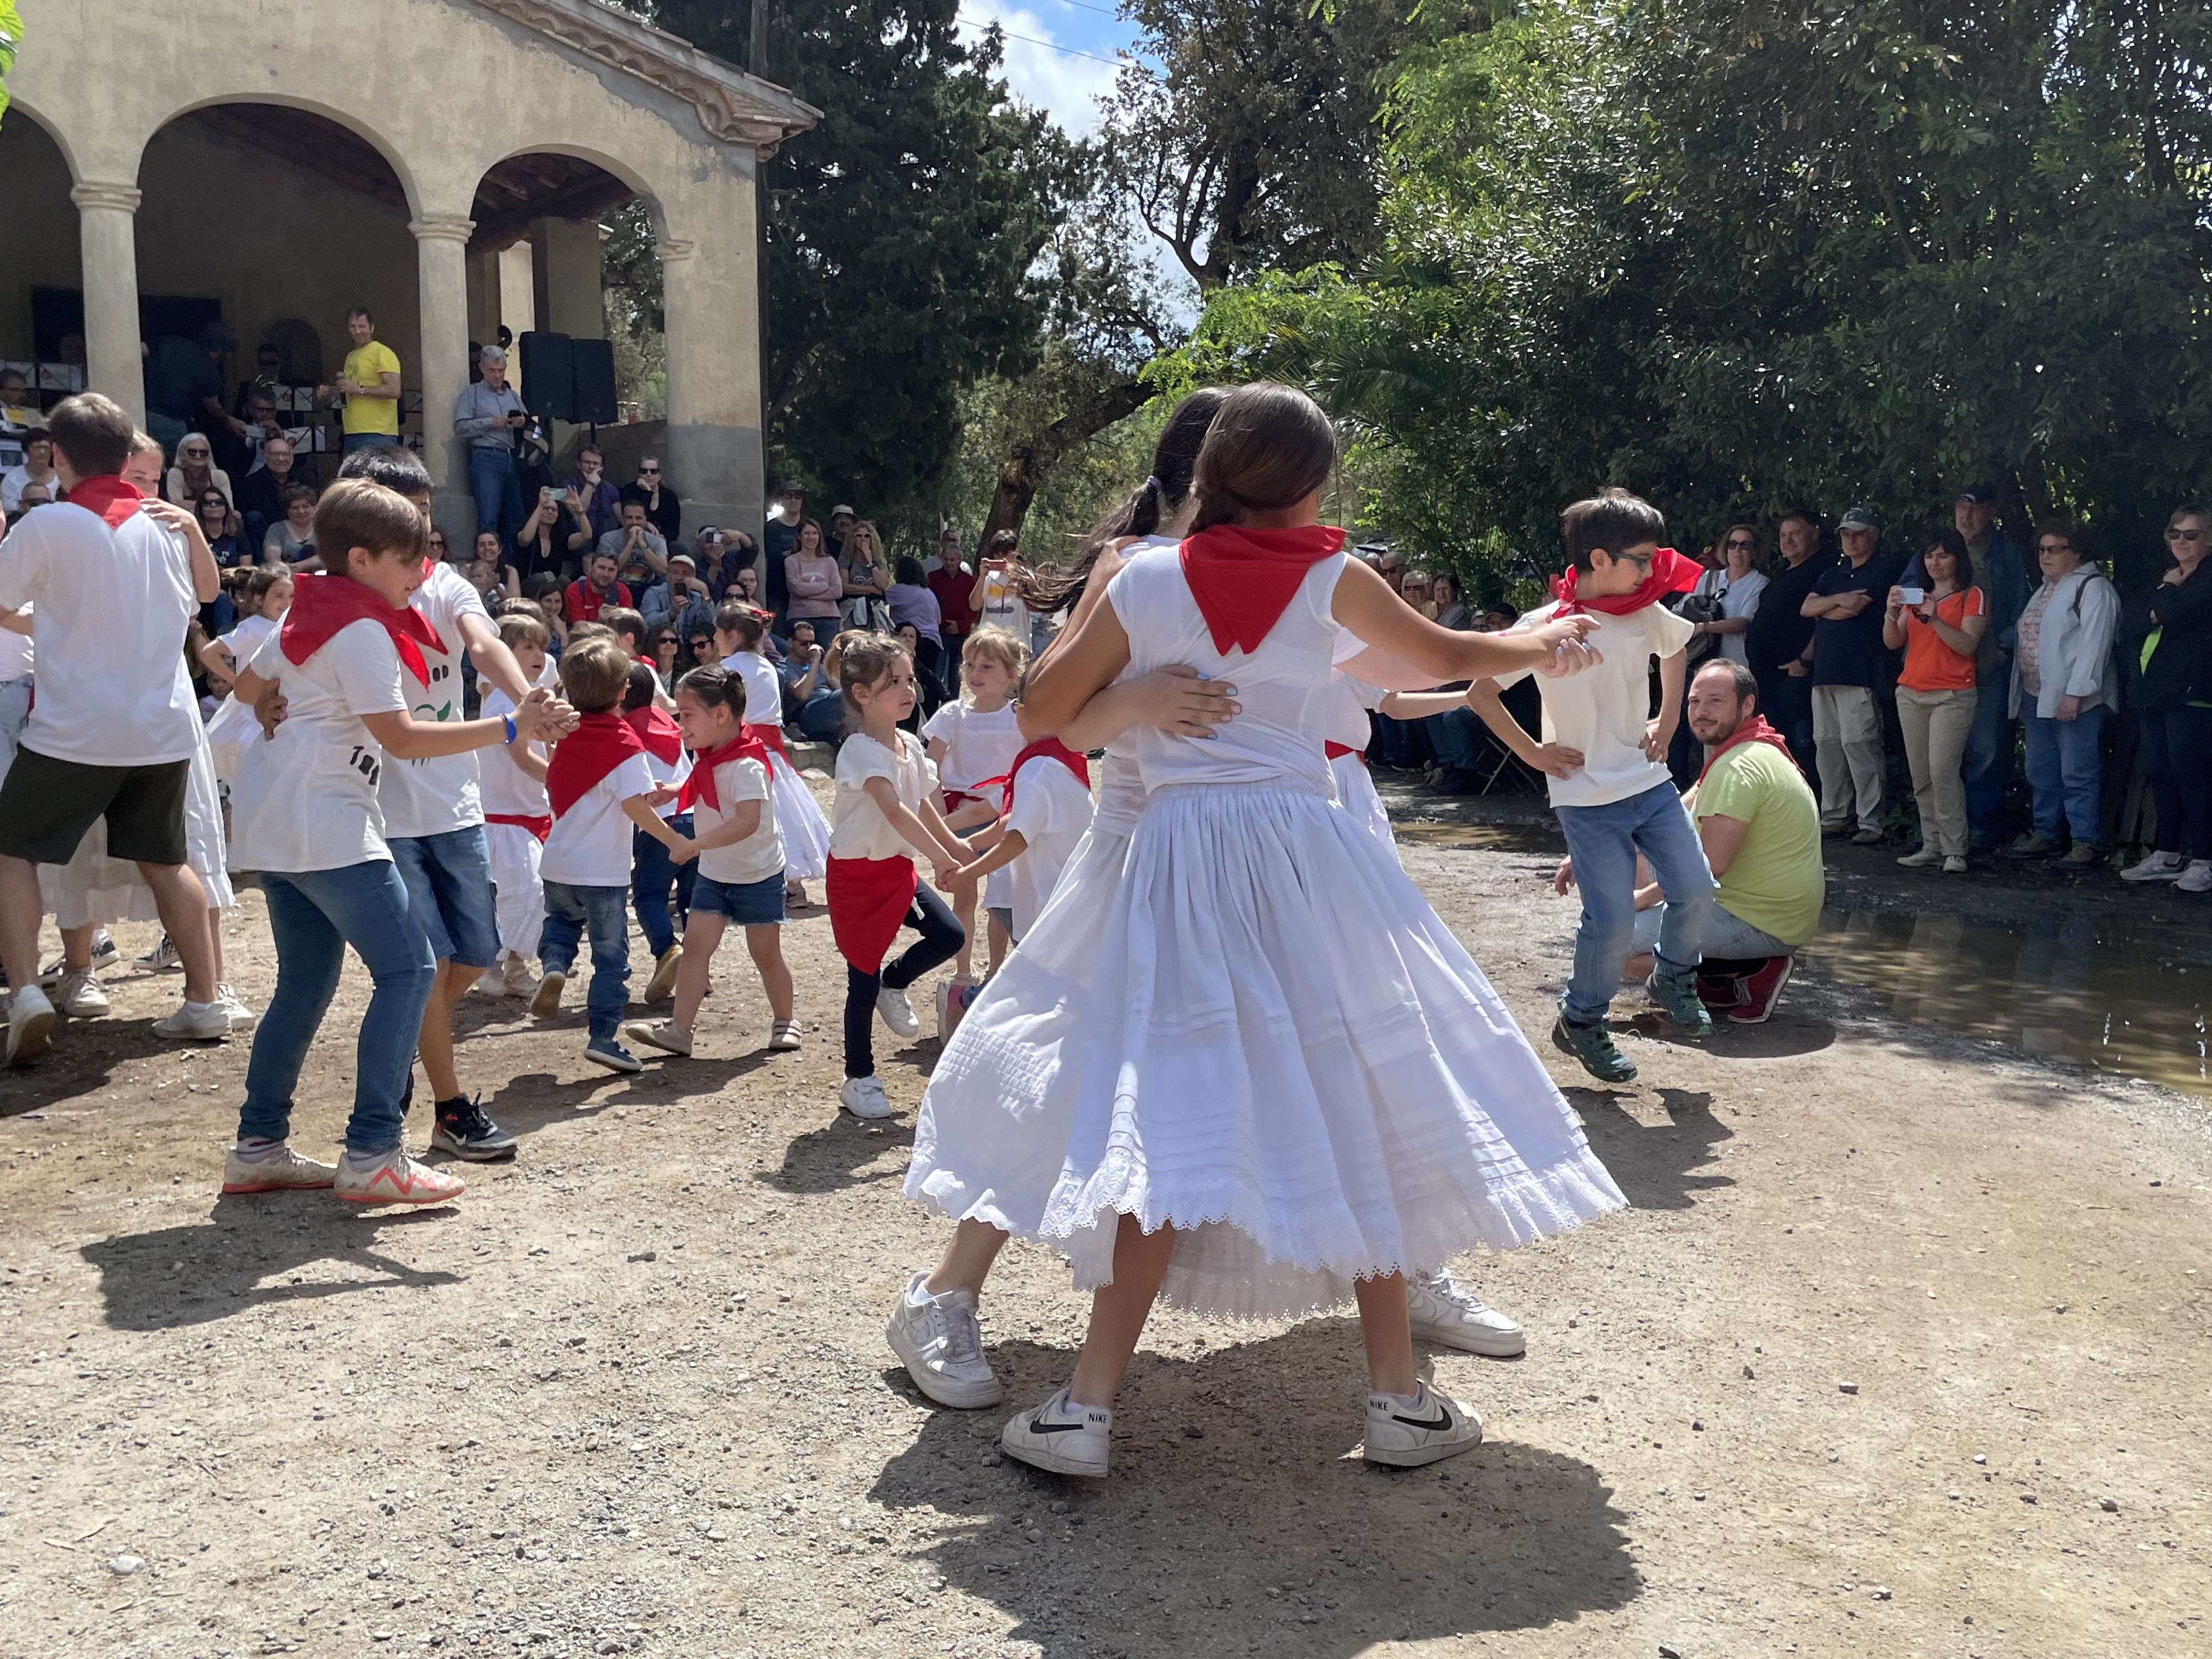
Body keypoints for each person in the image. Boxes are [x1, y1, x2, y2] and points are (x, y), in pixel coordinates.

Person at [904, 382, 1617, 1475]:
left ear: (1209, 475)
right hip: (1305, 857)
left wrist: (1142, 702)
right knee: (1357, 1103)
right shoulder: (1339, 577)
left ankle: (1087, 1408)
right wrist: (1544, 646)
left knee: (1166, 1118)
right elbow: (1442, 657)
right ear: (1317, 485)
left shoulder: (1142, 577)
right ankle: (1398, 1401)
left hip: (1177, 860)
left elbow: (1039, 712)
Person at [218, 479, 568, 1202]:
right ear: (362, 558)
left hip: (277, 822)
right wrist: (511, 729)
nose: (420, 573)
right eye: (409, 561)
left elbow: (247, 690)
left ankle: (259, 1146)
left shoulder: (306, 613)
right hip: (329, 820)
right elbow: (403, 739)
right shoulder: (365, 629)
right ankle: (375, 1151)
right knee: (410, 971)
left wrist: (281, 699)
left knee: (306, 984)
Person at [0, 393, 227, 1063]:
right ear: (129, 458)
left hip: (74, 728)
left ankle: (26, 992)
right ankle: (205, 999)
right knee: (167, 861)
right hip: (159, 728)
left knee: (13, 850)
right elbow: (190, 604)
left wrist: (60, 620)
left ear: (59, 457)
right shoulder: (163, 528)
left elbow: (3, 603)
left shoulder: (46, 526)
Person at [1468, 489, 1716, 1083]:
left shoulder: (1644, 609)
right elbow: (1480, 692)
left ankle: (1673, 978)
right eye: (1642, 557)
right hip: (1583, 796)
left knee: (1697, 888)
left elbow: (1678, 650)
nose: (1653, 568)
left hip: (1649, 782)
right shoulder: (1543, 626)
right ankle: (1582, 1020)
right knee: (1610, 922)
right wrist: (1534, 753)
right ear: (1599, 559)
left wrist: (1670, 719)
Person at [1617, 659, 1824, 1025]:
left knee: (1613, 945)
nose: (1701, 712)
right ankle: (1714, 982)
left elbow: (1708, 867)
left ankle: (1752, 968)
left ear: (1747, 706)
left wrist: (1640, 901)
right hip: (1760, 906)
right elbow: (1675, 811)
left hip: (1762, 919)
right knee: (1633, 851)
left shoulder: (1737, 768)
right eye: (1695, 702)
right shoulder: (1747, 750)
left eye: (1715, 701)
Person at [826, 634, 971, 1121]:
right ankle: (859, 1077)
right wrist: (940, 859)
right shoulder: (859, 750)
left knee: (949, 934)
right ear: (862, 693)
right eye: (895, 683)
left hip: (895, 870)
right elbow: (893, 812)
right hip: (857, 876)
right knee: (859, 978)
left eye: (910, 680)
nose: (909, 690)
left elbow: (923, 802)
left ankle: (897, 981)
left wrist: (953, 847)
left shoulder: (909, 743)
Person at [528, 635, 690, 1070]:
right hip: (603, 873)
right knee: (610, 958)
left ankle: (555, 966)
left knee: (560, 924)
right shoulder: (624, 743)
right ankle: (603, 1036)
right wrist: (674, 840)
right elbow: (634, 805)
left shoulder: (568, 737)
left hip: (558, 863)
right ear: (623, 691)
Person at [624, 665, 802, 1059]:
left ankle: (786, 1022)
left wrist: (695, 845)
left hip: (757, 875)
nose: (679, 722)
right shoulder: (713, 754)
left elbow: (747, 821)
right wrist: (672, 790)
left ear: (720, 715)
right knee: (695, 949)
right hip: (715, 874)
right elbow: (703, 786)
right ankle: (680, 1030)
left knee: (766, 952)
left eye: (687, 714)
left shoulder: (748, 765)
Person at [1902, 487, 2028, 851]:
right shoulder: (1935, 550)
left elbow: (2020, 602)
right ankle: (1936, 836)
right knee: (1932, 762)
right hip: (1932, 671)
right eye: (1961, 507)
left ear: (1991, 512)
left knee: (1987, 751)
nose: (1966, 516)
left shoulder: (2005, 551)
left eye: (1974, 509)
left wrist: (2004, 646)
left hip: (1986, 666)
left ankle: (1981, 828)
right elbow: (1908, 591)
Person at [2008, 520, 2120, 865]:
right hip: (2037, 694)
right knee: (2041, 769)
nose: (2045, 556)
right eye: (2042, 549)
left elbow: (2095, 646)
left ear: (2077, 552)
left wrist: (2077, 694)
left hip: (2078, 699)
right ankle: (2047, 832)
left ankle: (2085, 839)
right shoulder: (2044, 589)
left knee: (2077, 770)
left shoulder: (2093, 587)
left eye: (2055, 549)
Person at [922, 626, 1028, 984]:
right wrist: (942, 821)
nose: (975, 674)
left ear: (1011, 674)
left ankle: (998, 971)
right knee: (963, 895)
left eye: (987, 666)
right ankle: (963, 972)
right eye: (969, 665)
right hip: (959, 819)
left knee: (1003, 898)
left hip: (1005, 816)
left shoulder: (1020, 718)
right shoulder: (952, 715)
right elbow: (929, 768)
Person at [1881, 528, 1988, 872]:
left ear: (1958, 558)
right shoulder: (1917, 596)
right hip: (1912, 692)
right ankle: (1932, 844)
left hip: (1953, 694)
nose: (1936, 562)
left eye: (1943, 555)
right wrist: (1890, 612)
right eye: (1930, 556)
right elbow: (1892, 642)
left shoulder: (1972, 595)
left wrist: (1936, 619)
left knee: (1944, 770)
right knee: (1921, 774)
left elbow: (1967, 645)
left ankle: (1956, 849)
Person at [2121, 503, 2212, 891]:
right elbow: (2131, 622)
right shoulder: (2167, 580)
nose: (2181, 542)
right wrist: (2164, 598)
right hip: (2154, 694)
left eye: (2191, 535)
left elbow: (2175, 612)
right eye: (2174, 534)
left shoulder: (2202, 580)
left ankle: (2205, 859)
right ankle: (2168, 853)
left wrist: (2167, 597)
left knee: (2193, 776)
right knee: (2163, 775)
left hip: (2191, 693)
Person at [715, 603, 833, 902]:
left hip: (743, 753)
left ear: (732, 634)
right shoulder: (768, 666)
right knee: (782, 815)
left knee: (753, 815)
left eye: (718, 632)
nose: (714, 638)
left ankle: (756, 882)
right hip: (771, 752)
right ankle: (792, 884)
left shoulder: (729, 669)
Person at [1801, 505, 1897, 842]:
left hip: (1861, 672)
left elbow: (1852, 611)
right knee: (1826, 746)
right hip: (1825, 672)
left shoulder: (1882, 571)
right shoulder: (1834, 573)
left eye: (1858, 533)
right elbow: (1807, 608)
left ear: (1875, 534)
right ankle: (1835, 816)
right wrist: (1837, 602)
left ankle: (1871, 822)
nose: (1851, 539)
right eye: (1846, 533)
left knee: (1861, 746)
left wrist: (1827, 607)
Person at [477, 610, 555, 1000]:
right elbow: (521, 755)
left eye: (542, 646)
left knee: (529, 893)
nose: (538, 654)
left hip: (528, 811)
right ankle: (493, 966)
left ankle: (515, 965)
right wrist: (560, 780)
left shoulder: (530, 699)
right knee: (516, 891)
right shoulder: (502, 703)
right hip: (505, 817)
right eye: (527, 647)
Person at [1744, 509, 1831, 772]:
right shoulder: (1784, 572)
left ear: (1815, 533)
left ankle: (1809, 805)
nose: (1788, 541)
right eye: (1783, 535)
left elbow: (1826, 620)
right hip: (1769, 679)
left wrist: (1805, 659)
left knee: (1801, 749)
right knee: (1776, 748)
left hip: (1797, 677)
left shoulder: (1823, 570)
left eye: (1795, 534)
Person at [454, 345, 529, 546]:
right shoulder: (472, 394)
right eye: (492, 371)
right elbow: (460, 428)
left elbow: (536, 431)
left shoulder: (512, 396)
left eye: (501, 371)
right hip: (485, 456)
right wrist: (489, 422)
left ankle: (510, 568)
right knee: (488, 517)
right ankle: (483, 570)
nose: (498, 375)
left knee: (516, 517)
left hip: (511, 457)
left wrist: (523, 424)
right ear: (482, 369)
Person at [143, 321, 242, 459]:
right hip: (174, 424)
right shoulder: (210, 372)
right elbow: (213, 407)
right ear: (221, 350)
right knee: (175, 470)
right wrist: (228, 421)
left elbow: (140, 350)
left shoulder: (170, 343)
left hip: (144, 416)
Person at [320, 308, 403, 456]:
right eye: (353, 327)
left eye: (362, 327)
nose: (357, 331)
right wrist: (332, 391)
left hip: (378, 433)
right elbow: (351, 392)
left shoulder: (382, 353)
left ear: (372, 328)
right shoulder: (351, 356)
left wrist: (359, 389)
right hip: (352, 431)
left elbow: (394, 390)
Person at [198, 567, 293, 692]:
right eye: (279, 595)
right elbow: (209, 653)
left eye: (291, 596)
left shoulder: (289, 627)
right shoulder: (253, 627)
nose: (287, 603)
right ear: (259, 598)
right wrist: (236, 682)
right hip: (251, 708)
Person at [927, 526, 977, 696]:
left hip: (960, 632)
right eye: (946, 560)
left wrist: (961, 625)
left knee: (956, 672)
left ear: (960, 561)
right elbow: (929, 604)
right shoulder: (933, 578)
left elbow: (974, 608)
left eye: (953, 560)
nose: (949, 563)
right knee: (937, 670)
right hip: (939, 632)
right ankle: (934, 704)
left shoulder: (969, 581)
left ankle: (954, 702)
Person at [233, 432, 302, 550]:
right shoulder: (249, 484)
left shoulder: (303, 479)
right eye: (276, 455)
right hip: (265, 535)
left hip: (298, 530)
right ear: (266, 458)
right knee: (253, 518)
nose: (281, 459)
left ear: (292, 458)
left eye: (285, 454)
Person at [515, 483, 592, 584]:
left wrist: (579, 509)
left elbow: (587, 536)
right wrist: (540, 506)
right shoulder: (526, 532)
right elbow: (526, 539)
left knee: (564, 581)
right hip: (528, 587)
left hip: (552, 590)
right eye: (546, 509)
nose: (550, 512)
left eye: (554, 510)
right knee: (540, 579)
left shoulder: (561, 539)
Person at [778, 620, 843, 741]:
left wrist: (825, 663)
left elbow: (837, 688)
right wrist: (815, 662)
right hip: (807, 711)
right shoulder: (784, 667)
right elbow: (802, 695)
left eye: (812, 643)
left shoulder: (817, 664)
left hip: (828, 706)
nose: (809, 648)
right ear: (791, 642)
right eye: (804, 644)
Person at [783, 518, 843, 635]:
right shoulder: (791, 561)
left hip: (829, 618)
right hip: (800, 616)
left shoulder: (829, 561)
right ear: (800, 537)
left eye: (815, 533)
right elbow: (797, 589)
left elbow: (837, 591)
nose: (811, 537)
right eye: (807, 533)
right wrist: (825, 585)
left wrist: (807, 594)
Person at [642, 550, 714, 641]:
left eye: (685, 573)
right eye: (675, 572)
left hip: (690, 648)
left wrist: (705, 592)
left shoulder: (697, 598)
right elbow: (646, 624)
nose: (679, 578)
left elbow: (707, 627)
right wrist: (671, 613)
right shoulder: (654, 593)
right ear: (668, 575)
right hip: (661, 646)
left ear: (694, 577)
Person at [969, 530, 1027, 641]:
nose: (1001, 559)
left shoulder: (1025, 577)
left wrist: (1013, 575)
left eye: (1005, 554)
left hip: (1016, 642)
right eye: (997, 554)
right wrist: (982, 578)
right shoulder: (989, 576)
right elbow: (974, 606)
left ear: (1016, 552)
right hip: (989, 642)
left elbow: (1034, 607)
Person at [596, 499, 668, 589]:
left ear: (645, 520)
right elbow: (611, 570)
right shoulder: (608, 539)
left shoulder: (657, 541)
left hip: (648, 587)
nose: (634, 523)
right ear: (622, 520)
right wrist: (631, 543)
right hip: (617, 587)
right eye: (629, 518)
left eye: (639, 518)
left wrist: (643, 544)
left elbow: (662, 571)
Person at [563, 446, 623, 544]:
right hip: (580, 541)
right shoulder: (567, 486)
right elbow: (577, 514)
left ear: (602, 468)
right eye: (587, 462)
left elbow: (622, 520)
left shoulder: (610, 489)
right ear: (579, 464)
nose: (591, 467)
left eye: (596, 464)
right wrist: (590, 485)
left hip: (604, 542)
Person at [763, 478, 804, 618]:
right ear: (782, 499)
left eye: (797, 496)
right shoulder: (771, 528)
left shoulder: (809, 527)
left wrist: (789, 554)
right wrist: (803, 554)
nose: (793, 500)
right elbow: (775, 560)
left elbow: (821, 556)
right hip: (778, 593)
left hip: (807, 594)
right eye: (788, 496)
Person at [838, 520, 891, 630]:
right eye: (859, 536)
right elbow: (844, 587)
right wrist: (871, 589)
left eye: (867, 536)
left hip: (875, 610)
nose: (863, 539)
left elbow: (883, 584)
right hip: (851, 609)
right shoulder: (846, 559)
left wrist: (871, 562)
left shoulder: (879, 560)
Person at [618, 456, 681, 543]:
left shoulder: (669, 497)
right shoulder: (629, 491)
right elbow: (627, 518)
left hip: (660, 540)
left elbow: (674, 530)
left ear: (660, 476)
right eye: (644, 471)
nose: (649, 474)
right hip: (630, 537)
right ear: (639, 475)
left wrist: (663, 538)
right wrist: (647, 493)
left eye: (653, 471)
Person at [163, 432, 232, 510]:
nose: (198, 456)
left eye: (204, 453)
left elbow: (228, 508)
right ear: (181, 455)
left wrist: (186, 504)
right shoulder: (175, 474)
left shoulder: (220, 476)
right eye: (192, 452)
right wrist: (213, 504)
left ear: (209, 456)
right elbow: (175, 507)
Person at [565, 550, 632, 628]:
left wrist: (616, 618)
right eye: (601, 568)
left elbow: (627, 629)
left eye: (611, 570)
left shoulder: (622, 591)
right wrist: (600, 621)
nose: (606, 574)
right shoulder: (576, 589)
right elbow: (578, 629)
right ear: (591, 569)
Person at [2, 428, 58, 514]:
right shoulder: (12, 479)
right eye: (37, 447)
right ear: (27, 450)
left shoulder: (61, 479)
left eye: (46, 448)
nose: (42, 452)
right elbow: (8, 510)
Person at [263, 484, 319, 567]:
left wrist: (298, 567)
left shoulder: (324, 527)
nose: (301, 512)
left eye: (306, 507)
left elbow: (329, 558)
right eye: (295, 508)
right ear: (287, 510)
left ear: (314, 508)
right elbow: (273, 562)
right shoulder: (276, 529)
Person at [196, 488, 250, 567]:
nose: (213, 505)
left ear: (226, 508)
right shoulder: (194, 534)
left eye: (219, 502)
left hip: (234, 577)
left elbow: (246, 565)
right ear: (200, 509)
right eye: (207, 503)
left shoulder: (237, 531)